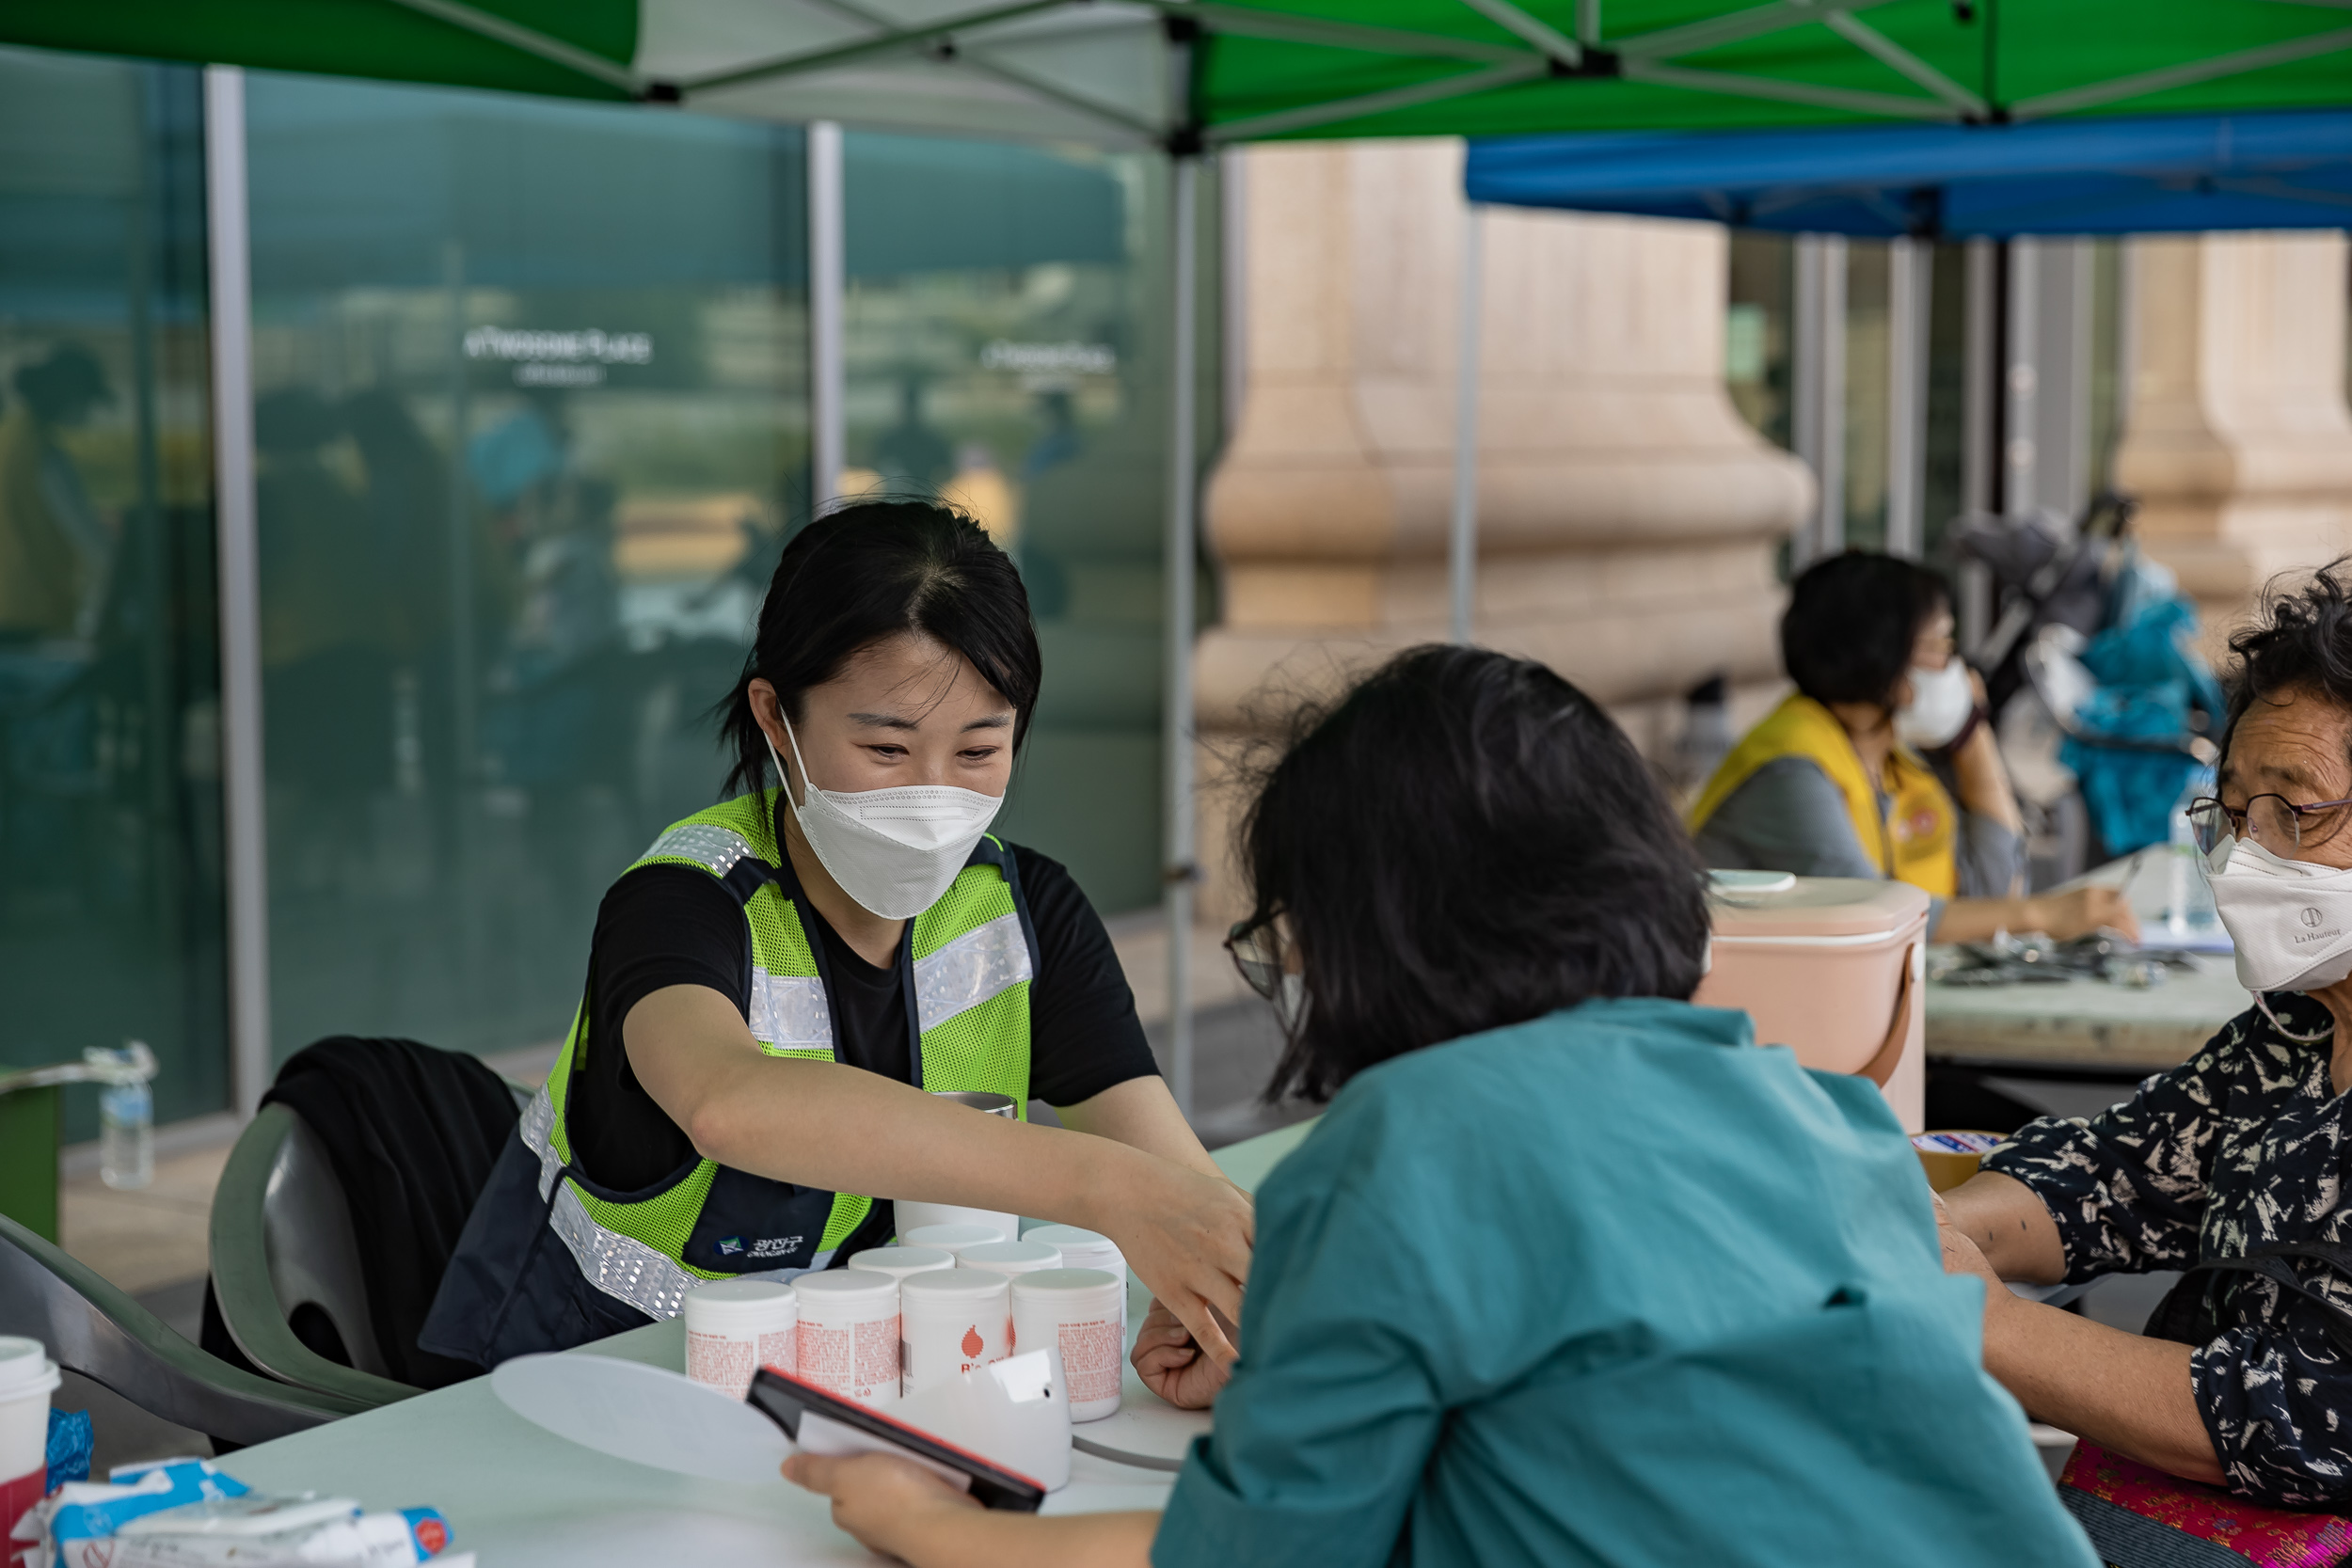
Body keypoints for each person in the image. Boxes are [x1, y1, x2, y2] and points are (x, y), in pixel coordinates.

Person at [786, 644, 2096, 1568]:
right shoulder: (1811, 1104)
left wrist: (923, 1519)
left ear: (1361, 930)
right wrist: (1312, 1351)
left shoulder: (1399, 1148)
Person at [421, 500, 1251, 1370]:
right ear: (777, 717)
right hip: (572, 1389)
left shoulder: (1024, 907)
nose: (933, 795)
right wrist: (1103, 1185)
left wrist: (1224, 1312)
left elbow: (1182, 1183)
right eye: (887, 751)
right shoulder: (680, 902)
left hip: (823, 1402)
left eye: (978, 752)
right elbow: (727, 1103)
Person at [1940, 562, 2352, 1509]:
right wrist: (1921, 1231)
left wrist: (1977, 1314)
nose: (2247, 858)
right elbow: (2115, 1173)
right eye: (2234, 813)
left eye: (2294, 809)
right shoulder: (2289, 1034)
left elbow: (2306, 1412)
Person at [1691, 550, 2134, 942]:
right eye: (1941, 646)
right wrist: (2043, 914)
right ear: (1884, 660)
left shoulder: (1890, 758)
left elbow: (1990, 892)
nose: (1955, 667)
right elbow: (1877, 917)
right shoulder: (1790, 771)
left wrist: (1971, 735)